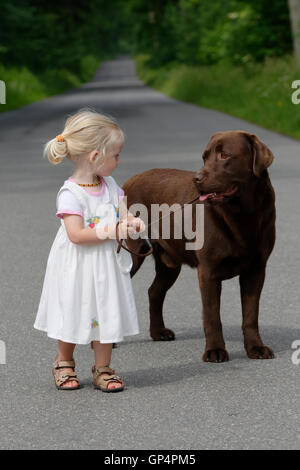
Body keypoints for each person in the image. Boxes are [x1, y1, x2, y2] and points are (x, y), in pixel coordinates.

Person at [34, 109, 145, 392]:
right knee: (73, 309)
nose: (119, 161)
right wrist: (112, 231)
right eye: (116, 155)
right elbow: (76, 235)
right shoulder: (71, 193)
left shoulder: (110, 185)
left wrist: (130, 222)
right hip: (78, 265)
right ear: (95, 156)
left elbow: (122, 215)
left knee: (105, 310)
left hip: (105, 263)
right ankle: (64, 361)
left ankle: (103, 367)